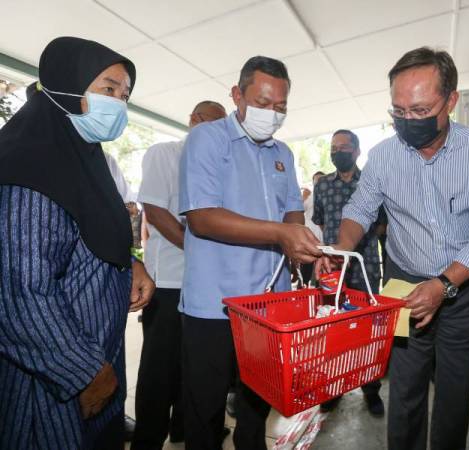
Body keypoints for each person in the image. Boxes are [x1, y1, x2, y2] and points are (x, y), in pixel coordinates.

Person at [316, 47, 469, 450]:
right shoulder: (384, 156)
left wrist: (444, 285)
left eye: (420, 111)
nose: (408, 122)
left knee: (455, 393)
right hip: (403, 287)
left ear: (452, 100)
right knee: (404, 392)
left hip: (464, 288)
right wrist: (340, 247)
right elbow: (360, 208)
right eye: (398, 112)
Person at [0, 36, 154, 450]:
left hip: (93, 358)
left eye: (125, 94)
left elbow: (96, 230)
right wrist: (84, 371)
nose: (119, 103)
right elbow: (19, 294)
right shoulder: (28, 167)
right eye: (108, 89)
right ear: (66, 84)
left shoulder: (84, 158)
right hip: (50, 382)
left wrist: (129, 263)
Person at [178, 55, 321, 450]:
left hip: (267, 303)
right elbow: (202, 217)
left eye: (281, 108)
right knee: (204, 408)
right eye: (262, 103)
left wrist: (302, 243)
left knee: (257, 403)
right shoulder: (208, 138)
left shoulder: (283, 154)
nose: (271, 115)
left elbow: (292, 208)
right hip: (214, 303)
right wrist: (281, 232)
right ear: (237, 95)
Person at [131, 100, 226, 449]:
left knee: (195, 363)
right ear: (193, 120)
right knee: (160, 369)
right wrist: (197, 248)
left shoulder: (218, 166)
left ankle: (184, 427)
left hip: (204, 284)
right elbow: (155, 212)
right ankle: (148, 439)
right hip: (169, 280)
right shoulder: (164, 154)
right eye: (212, 124)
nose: (218, 134)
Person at [312, 130, 385, 416]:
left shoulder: (371, 182)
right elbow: (319, 221)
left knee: (368, 331)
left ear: (356, 151)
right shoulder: (322, 186)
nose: (337, 151)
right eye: (333, 147)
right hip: (332, 270)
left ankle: (371, 389)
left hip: (365, 267)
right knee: (332, 329)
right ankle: (333, 388)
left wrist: (356, 240)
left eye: (344, 147)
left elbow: (381, 224)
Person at [300, 170, 325, 285]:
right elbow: (299, 210)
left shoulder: (328, 196)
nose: (319, 181)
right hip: (308, 234)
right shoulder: (308, 194)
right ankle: (303, 286)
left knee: (320, 269)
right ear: (313, 181)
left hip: (322, 236)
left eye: (321, 179)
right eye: (316, 179)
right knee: (306, 265)